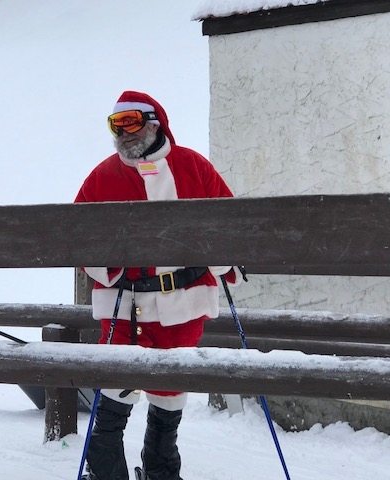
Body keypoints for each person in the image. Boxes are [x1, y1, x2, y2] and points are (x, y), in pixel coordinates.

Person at [75, 90, 243, 480]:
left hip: (184, 299)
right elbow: (77, 235)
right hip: (126, 301)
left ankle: (161, 467)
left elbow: (229, 219)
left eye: (131, 123)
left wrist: (220, 259)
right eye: (116, 126)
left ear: (155, 122)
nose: (124, 134)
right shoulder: (103, 176)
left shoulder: (193, 166)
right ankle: (103, 468)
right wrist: (110, 268)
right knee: (117, 381)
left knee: (171, 385)